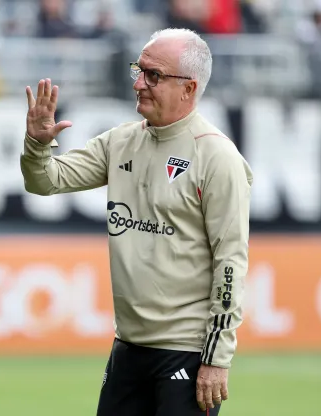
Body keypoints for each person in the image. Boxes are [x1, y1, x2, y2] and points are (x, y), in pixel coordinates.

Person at [20, 28, 253, 416]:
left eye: (154, 76)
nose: (139, 84)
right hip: (127, 348)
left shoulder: (217, 157)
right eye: (139, 70)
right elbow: (45, 181)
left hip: (186, 352)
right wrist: (38, 144)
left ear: (188, 88)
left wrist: (217, 358)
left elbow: (230, 262)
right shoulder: (121, 141)